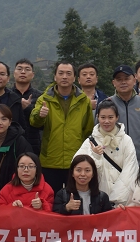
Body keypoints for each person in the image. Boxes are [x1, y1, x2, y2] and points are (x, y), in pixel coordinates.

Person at [30, 61, 95, 192]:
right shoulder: (44, 99)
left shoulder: (84, 101)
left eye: (68, 73)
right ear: (55, 77)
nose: (64, 77)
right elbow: (34, 122)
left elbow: (88, 130)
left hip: (76, 160)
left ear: (74, 78)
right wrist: (40, 116)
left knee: (76, 199)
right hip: (50, 160)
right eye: (61, 73)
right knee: (50, 199)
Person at [74, 100, 138, 207]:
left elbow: (130, 170)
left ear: (117, 117)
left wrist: (116, 198)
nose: (106, 121)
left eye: (110, 117)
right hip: (97, 199)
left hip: (122, 201)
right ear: (98, 117)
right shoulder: (90, 141)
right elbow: (76, 167)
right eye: (103, 117)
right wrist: (93, 156)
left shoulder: (126, 140)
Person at [105, 65, 140, 163]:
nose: (123, 82)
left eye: (127, 78)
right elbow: (98, 133)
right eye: (119, 79)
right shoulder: (107, 104)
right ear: (114, 83)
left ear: (134, 80)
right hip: (113, 164)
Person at [12, 58, 44, 155]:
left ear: (32, 75)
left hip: (34, 145)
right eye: (19, 69)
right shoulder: (7, 94)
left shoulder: (40, 96)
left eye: (27, 69)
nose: (23, 72)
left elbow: (43, 125)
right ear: (14, 73)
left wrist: (28, 108)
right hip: (11, 144)